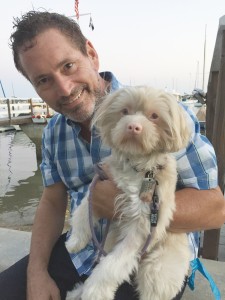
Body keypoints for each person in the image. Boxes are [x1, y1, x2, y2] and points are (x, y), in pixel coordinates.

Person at [0, 10, 224, 300]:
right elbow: (53, 200)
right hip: (84, 247)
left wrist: (123, 207)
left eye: (68, 66)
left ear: (91, 54)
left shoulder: (164, 116)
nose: (64, 89)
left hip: (151, 256)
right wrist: (37, 272)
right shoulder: (54, 131)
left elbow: (215, 208)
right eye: (44, 80)